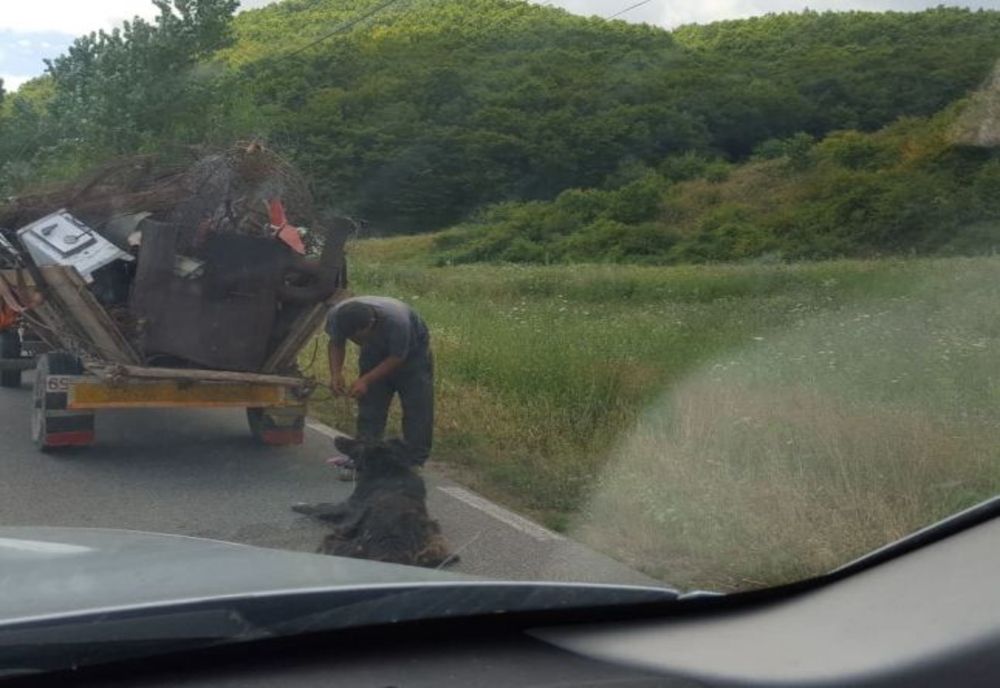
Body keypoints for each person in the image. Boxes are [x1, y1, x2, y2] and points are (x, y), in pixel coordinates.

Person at [326, 296, 434, 467]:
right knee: (371, 404)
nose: (355, 342)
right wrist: (335, 374)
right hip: (374, 353)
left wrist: (366, 380)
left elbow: (397, 358)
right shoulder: (337, 316)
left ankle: (413, 460)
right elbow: (336, 343)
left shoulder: (397, 322)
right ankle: (365, 454)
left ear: (370, 325)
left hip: (412, 357)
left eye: (357, 338)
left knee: (417, 407)